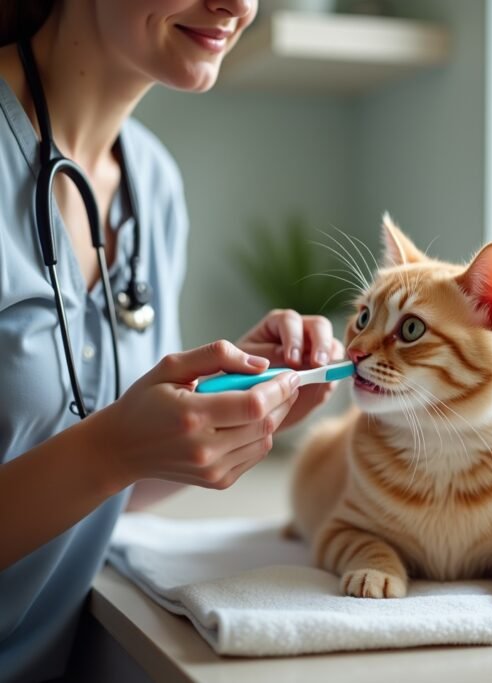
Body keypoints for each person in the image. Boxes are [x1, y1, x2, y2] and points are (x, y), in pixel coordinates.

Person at [0, 1, 344, 680]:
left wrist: (227, 410)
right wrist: (109, 449)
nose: (237, 6)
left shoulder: (153, 185)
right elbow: (98, 457)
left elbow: (101, 490)